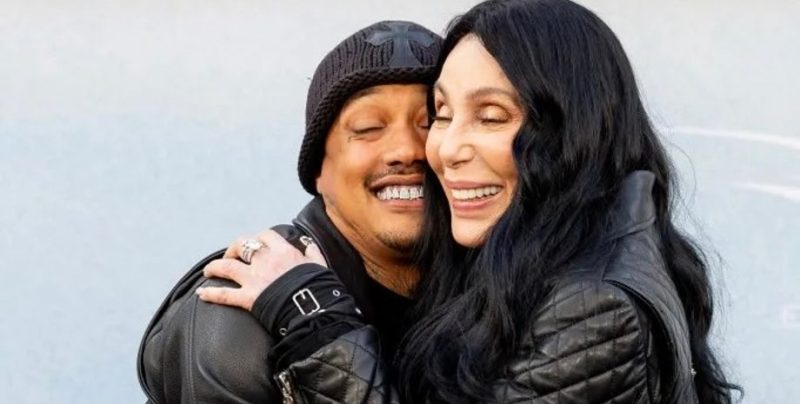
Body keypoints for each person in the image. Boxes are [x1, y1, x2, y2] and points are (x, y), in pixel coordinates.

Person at [200, 0, 741, 402]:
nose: (444, 149)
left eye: (491, 117)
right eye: (443, 113)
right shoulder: (531, 266)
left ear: (572, 133)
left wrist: (316, 322)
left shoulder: (593, 308)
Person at [137, 20, 442, 403]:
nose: (408, 149)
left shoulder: (491, 296)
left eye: (432, 122)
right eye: (368, 127)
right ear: (317, 169)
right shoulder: (240, 312)